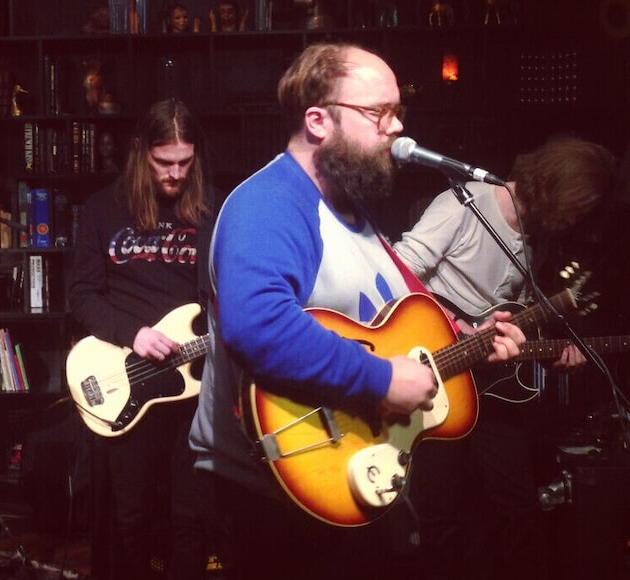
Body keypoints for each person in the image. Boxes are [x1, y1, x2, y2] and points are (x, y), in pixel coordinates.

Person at [187, 42, 527, 579]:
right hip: (276, 493)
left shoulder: (351, 209)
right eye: (379, 113)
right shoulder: (272, 203)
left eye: (398, 112)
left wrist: (471, 340)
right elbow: (257, 326)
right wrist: (380, 379)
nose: (396, 128)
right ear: (318, 120)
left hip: (344, 473)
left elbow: (395, 326)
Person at [393, 135, 620, 579]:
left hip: (490, 390)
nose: (575, 220)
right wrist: (454, 328)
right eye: (578, 207)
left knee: (517, 509)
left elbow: (508, 318)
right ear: (560, 187)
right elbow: (396, 272)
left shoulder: (538, 240)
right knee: (440, 514)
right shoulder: (465, 203)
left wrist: (554, 354)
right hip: (434, 373)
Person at [70, 99, 219, 579]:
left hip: (194, 388)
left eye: (184, 162)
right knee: (129, 517)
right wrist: (133, 335)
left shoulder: (212, 211)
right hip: (127, 378)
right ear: (141, 152)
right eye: (163, 163)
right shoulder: (101, 209)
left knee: (190, 515)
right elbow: (82, 293)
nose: (175, 174)